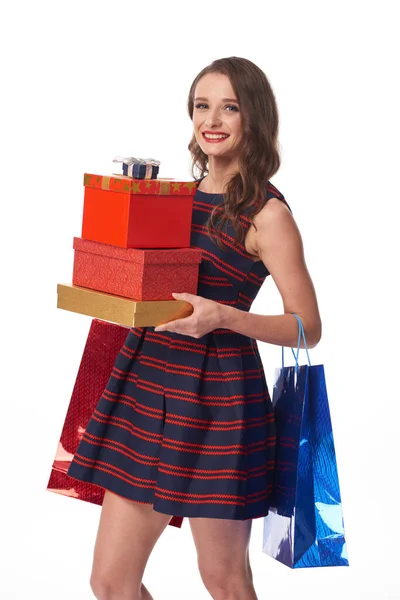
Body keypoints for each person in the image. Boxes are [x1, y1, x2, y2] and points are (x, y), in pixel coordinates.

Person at [67, 56, 322, 600]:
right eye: (202, 105)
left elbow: (307, 328)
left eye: (230, 106)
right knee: (110, 582)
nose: (213, 119)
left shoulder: (268, 215)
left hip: (219, 405)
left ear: (254, 118)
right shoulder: (169, 197)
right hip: (145, 387)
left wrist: (224, 316)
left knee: (224, 580)